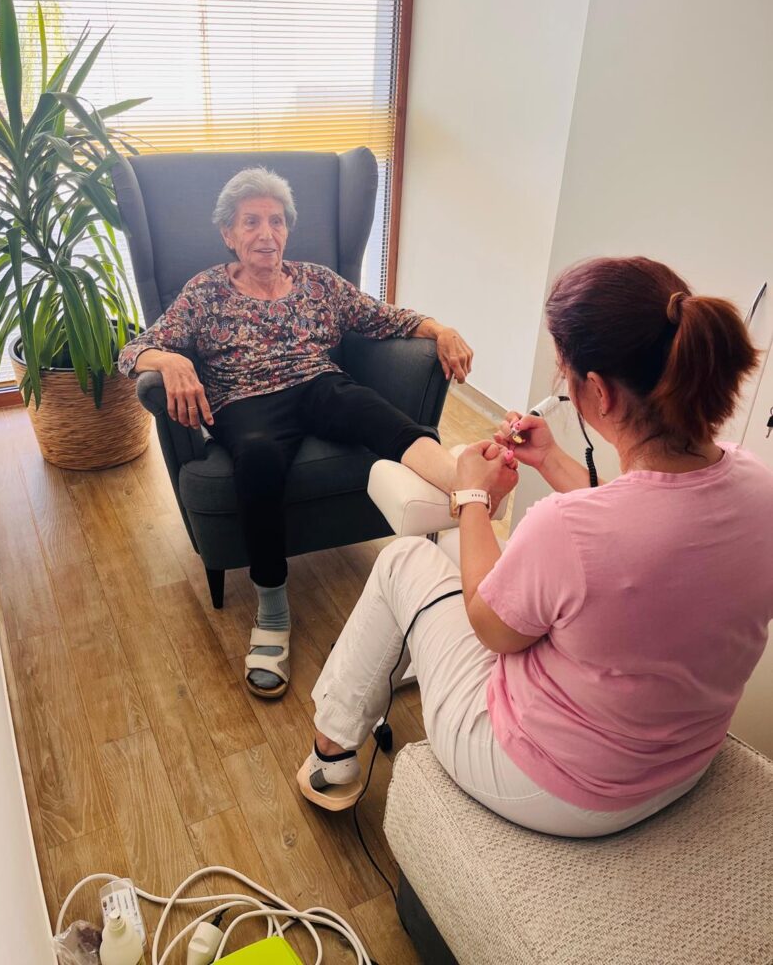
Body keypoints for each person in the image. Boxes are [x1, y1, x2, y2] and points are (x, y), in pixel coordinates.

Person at [298, 256, 773, 837]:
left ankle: (329, 756)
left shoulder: (566, 528)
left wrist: (472, 496)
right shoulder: (759, 484)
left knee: (403, 560)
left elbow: (491, 628)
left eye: (564, 371)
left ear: (599, 392)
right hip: (683, 763)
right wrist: (550, 459)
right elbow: (647, 522)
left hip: (554, 788)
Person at [118, 167, 472, 698]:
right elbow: (132, 351)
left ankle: (467, 492)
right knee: (258, 458)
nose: (267, 233)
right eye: (251, 222)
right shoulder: (206, 291)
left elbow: (385, 318)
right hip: (244, 401)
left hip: (317, 384)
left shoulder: (318, 282)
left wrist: (441, 330)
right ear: (229, 234)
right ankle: (272, 610)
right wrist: (168, 359)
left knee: (373, 411)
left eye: (277, 221)